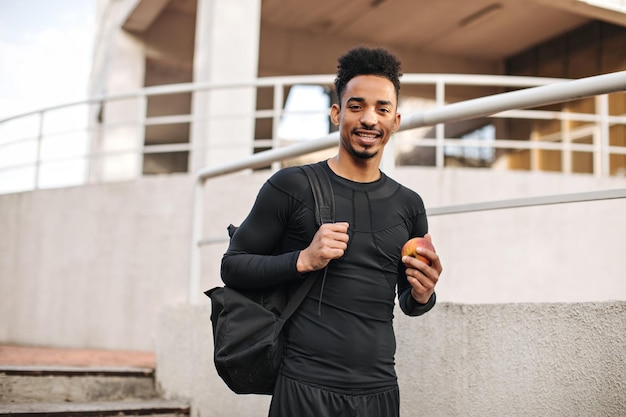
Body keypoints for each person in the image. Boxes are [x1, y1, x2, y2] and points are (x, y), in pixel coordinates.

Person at [221, 46, 443, 417]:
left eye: (382, 109)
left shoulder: (409, 205)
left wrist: (424, 293)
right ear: (337, 113)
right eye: (356, 106)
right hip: (304, 388)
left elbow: (408, 302)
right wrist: (303, 260)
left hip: (379, 392)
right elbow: (232, 267)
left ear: (396, 120)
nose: (369, 119)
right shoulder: (292, 185)